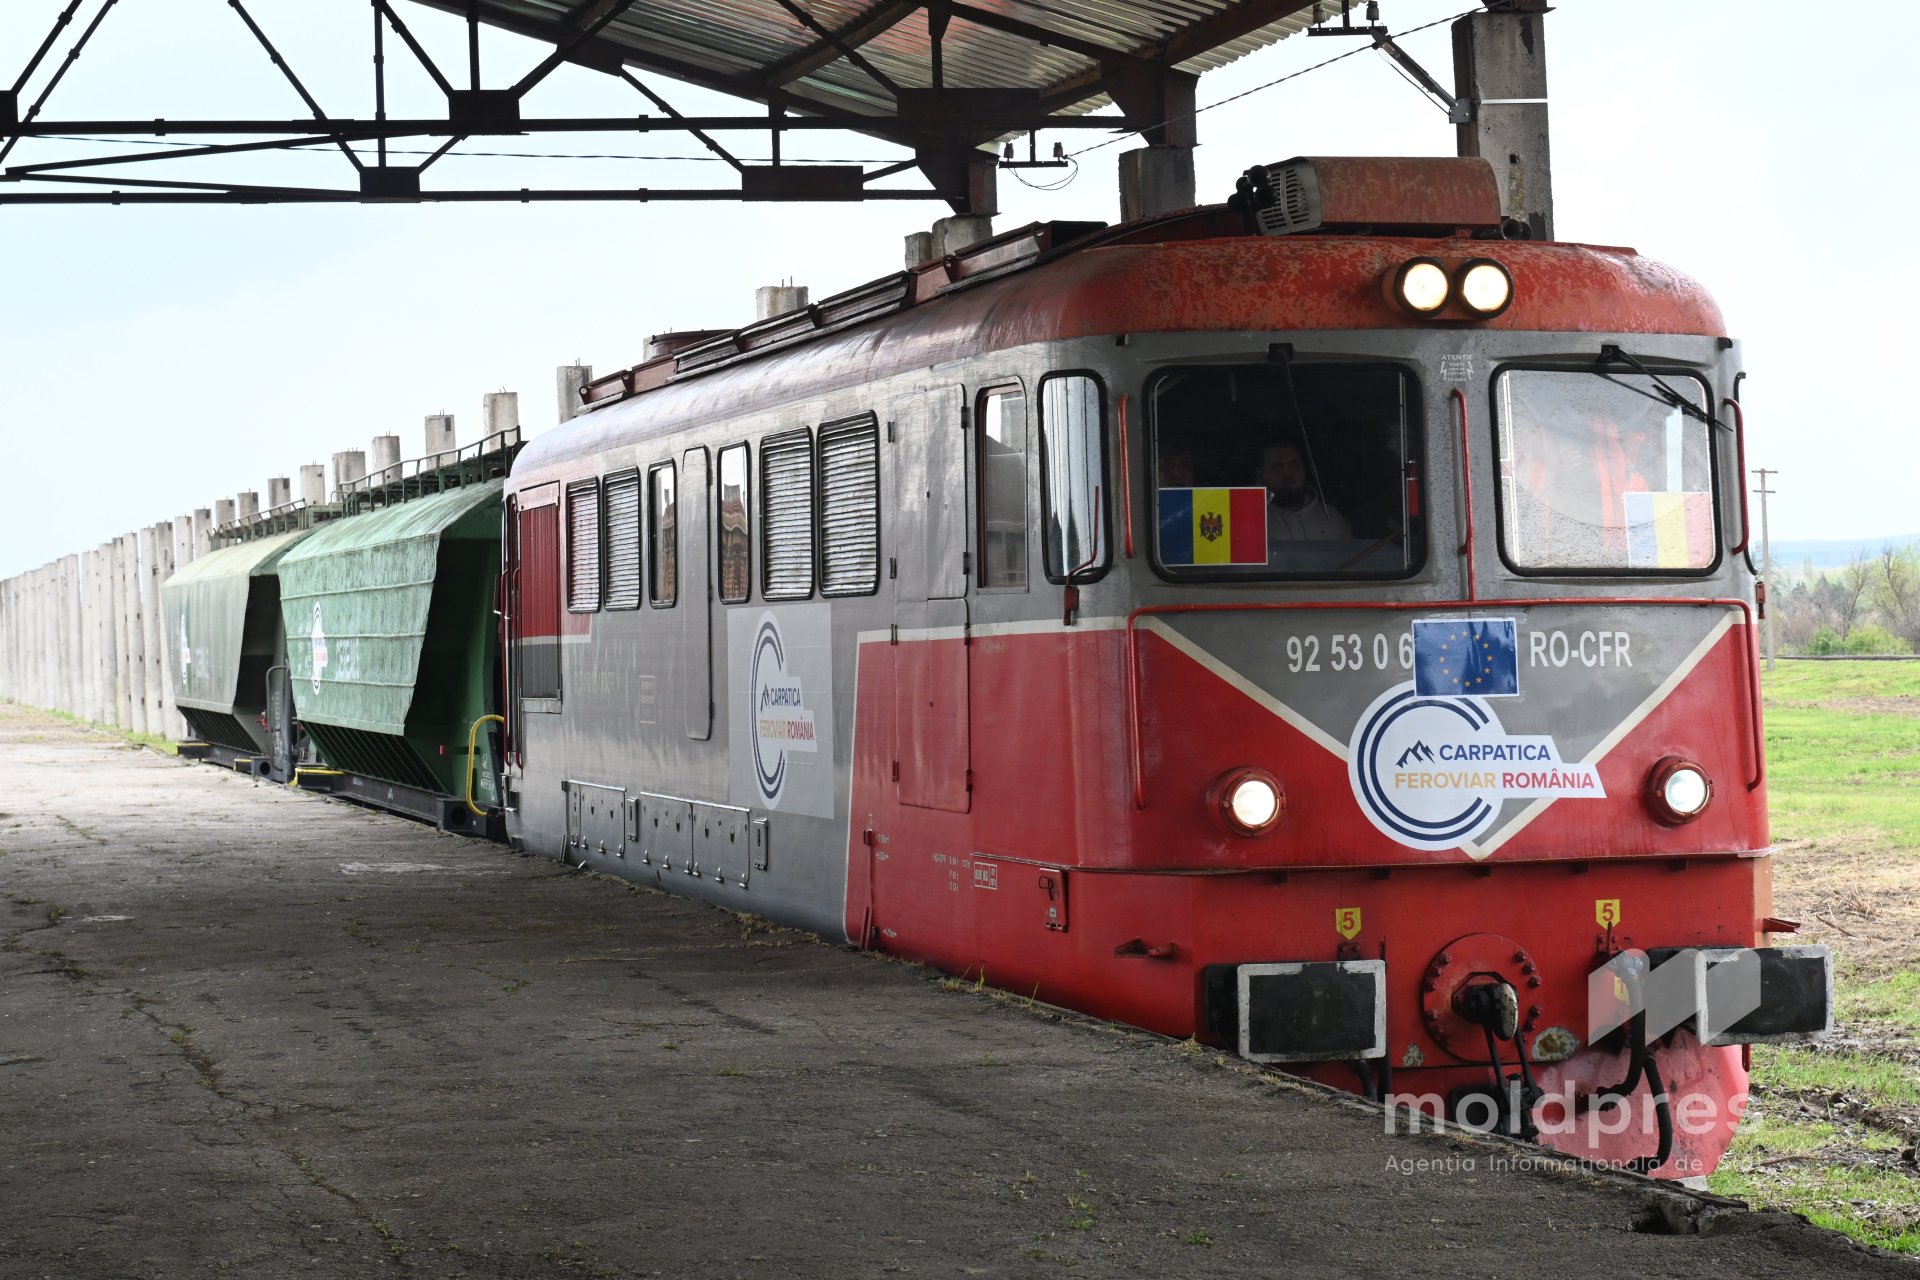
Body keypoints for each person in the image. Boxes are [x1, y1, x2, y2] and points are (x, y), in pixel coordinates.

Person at [1261, 441, 1351, 547]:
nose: (1287, 474)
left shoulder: (1331, 517)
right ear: (1261, 474)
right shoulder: (1252, 522)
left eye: (1294, 465)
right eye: (1277, 467)